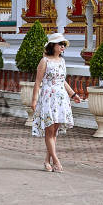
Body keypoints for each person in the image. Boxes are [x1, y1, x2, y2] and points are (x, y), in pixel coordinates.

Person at [27, 32, 75, 172]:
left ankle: (47, 161)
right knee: (49, 130)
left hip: (61, 99)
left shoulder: (62, 61)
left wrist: (73, 94)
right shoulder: (44, 61)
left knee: (54, 132)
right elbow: (37, 82)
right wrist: (34, 100)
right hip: (48, 98)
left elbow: (63, 81)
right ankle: (56, 161)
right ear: (52, 45)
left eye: (64, 44)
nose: (62, 47)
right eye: (60, 44)